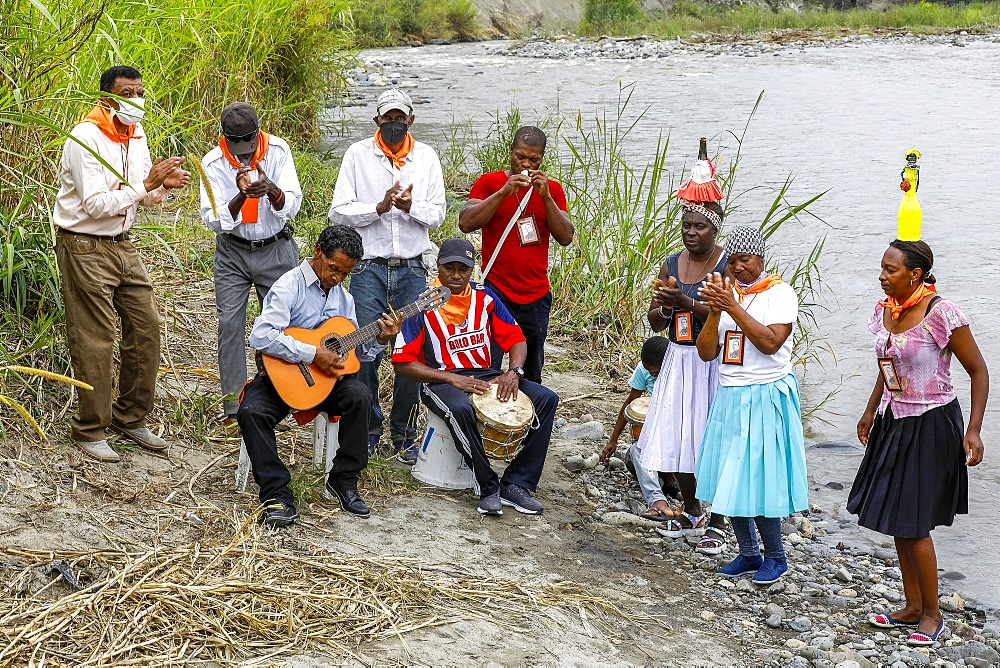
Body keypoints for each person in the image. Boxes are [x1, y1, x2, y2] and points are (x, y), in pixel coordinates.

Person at [848, 240, 987, 647]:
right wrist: (870, 410)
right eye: (881, 267)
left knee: (914, 522)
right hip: (894, 420)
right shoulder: (887, 310)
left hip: (931, 423)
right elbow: (887, 366)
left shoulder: (941, 313)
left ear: (915, 274)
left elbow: (979, 372)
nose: (882, 275)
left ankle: (933, 615)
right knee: (897, 518)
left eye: (890, 270)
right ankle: (912, 606)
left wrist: (974, 430)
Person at [53, 65, 190, 463]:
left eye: (139, 92)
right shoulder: (86, 137)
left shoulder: (136, 134)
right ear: (106, 97)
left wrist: (161, 187)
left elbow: (139, 197)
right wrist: (145, 186)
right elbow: (95, 203)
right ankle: (90, 429)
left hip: (122, 243)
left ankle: (129, 416)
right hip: (84, 244)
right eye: (127, 93)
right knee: (95, 337)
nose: (136, 100)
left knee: (147, 326)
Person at [237, 226, 400, 527]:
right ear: (318, 252)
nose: (337, 278)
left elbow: (355, 354)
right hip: (282, 377)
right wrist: (313, 354)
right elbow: (261, 336)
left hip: (326, 384)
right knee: (250, 412)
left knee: (361, 396)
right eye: (333, 268)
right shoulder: (289, 286)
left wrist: (380, 340)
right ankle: (277, 495)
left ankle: (343, 481)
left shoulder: (344, 298)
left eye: (345, 273)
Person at [393, 238, 559, 516]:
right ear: (438, 266)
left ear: (473, 270)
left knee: (546, 399)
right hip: (439, 382)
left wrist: (513, 372)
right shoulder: (420, 305)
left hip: (487, 376)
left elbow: (518, 340)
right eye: (449, 268)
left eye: (463, 269)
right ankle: (488, 485)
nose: (456, 276)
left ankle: (517, 483)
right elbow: (403, 363)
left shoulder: (486, 298)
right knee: (460, 407)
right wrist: (450, 379)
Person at [328, 88, 446, 462]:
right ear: (376, 120)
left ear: (411, 121)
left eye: (400, 118)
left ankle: (404, 431)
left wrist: (412, 207)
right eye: (387, 118)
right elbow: (339, 212)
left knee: (411, 352)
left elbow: (439, 213)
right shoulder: (357, 156)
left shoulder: (426, 157)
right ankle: (368, 427)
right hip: (368, 268)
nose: (393, 124)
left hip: (412, 267)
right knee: (364, 350)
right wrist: (378, 207)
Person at [694, 226, 807, 584]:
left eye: (746, 260)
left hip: (765, 393)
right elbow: (706, 352)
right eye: (734, 261)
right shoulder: (728, 294)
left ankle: (776, 557)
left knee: (758, 478)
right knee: (730, 477)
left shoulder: (779, 293)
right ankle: (747, 553)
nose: (739, 268)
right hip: (730, 394)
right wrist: (715, 310)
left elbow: (771, 342)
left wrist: (732, 307)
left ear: (761, 258)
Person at [640, 150, 729, 554]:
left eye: (700, 226)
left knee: (713, 438)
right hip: (678, 357)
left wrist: (686, 304)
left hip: (713, 361)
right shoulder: (671, 263)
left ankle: (722, 519)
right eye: (686, 225)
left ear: (714, 230)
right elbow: (656, 321)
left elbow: (724, 311)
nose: (691, 232)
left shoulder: (726, 266)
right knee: (673, 435)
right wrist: (664, 304)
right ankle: (692, 509)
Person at [199, 102, 302, 429]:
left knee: (283, 325)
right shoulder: (212, 163)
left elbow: (293, 203)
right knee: (230, 324)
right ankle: (233, 408)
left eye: (248, 144)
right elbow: (215, 221)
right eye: (236, 145)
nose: (243, 154)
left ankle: (281, 400)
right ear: (224, 138)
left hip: (276, 249)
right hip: (233, 253)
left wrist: (269, 189)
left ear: (258, 134)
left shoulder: (279, 151)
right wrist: (242, 196)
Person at [458, 126, 574, 384]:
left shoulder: (552, 190)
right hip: (497, 290)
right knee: (489, 362)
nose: (526, 164)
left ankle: (528, 419)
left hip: (536, 294)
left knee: (531, 370)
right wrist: (502, 193)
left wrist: (546, 199)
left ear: (543, 159)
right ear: (510, 152)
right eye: (520, 157)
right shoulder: (490, 183)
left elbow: (566, 237)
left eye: (534, 160)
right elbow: (466, 222)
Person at [600, 336, 681, 520]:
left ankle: (677, 488)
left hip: (675, 442)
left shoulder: (681, 372)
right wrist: (613, 439)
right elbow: (630, 404)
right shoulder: (643, 370)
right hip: (652, 442)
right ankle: (658, 501)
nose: (651, 375)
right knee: (636, 451)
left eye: (655, 373)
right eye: (648, 372)